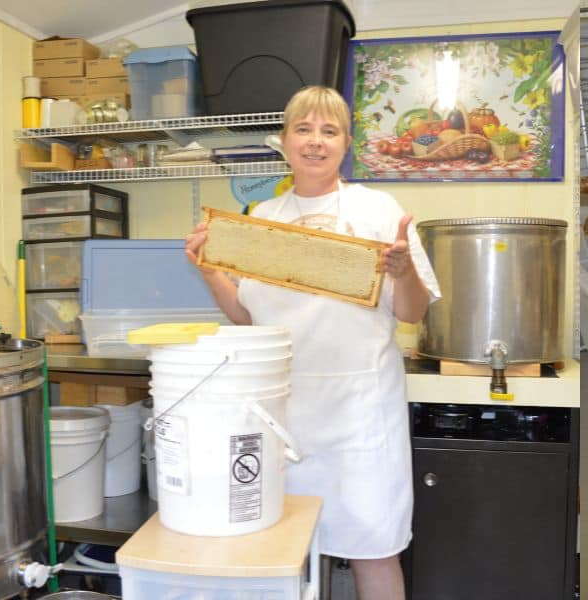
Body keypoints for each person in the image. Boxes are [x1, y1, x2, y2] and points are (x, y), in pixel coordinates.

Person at [185, 85, 440, 600]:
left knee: (375, 547)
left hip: (361, 413)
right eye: (303, 129)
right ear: (283, 141)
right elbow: (246, 318)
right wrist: (209, 268)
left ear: (346, 143)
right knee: (283, 552)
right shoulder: (261, 221)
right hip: (284, 414)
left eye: (329, 130)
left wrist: (404, 269)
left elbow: (412, 313)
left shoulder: (380, 210)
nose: (315, 142)